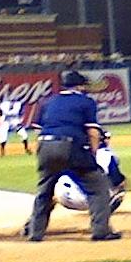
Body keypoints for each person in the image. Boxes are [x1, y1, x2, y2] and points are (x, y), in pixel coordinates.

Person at [22, 71, 119, 242]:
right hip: (71, 146)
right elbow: (93, 131)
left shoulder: (46, 101)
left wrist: (43, 154)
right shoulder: (86, 102)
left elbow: (38, 132)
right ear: (80, 86)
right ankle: (101, 231)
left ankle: (35, 233)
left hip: (45, 146)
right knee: (98, 187)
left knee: (44, 191)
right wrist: (92, 155)